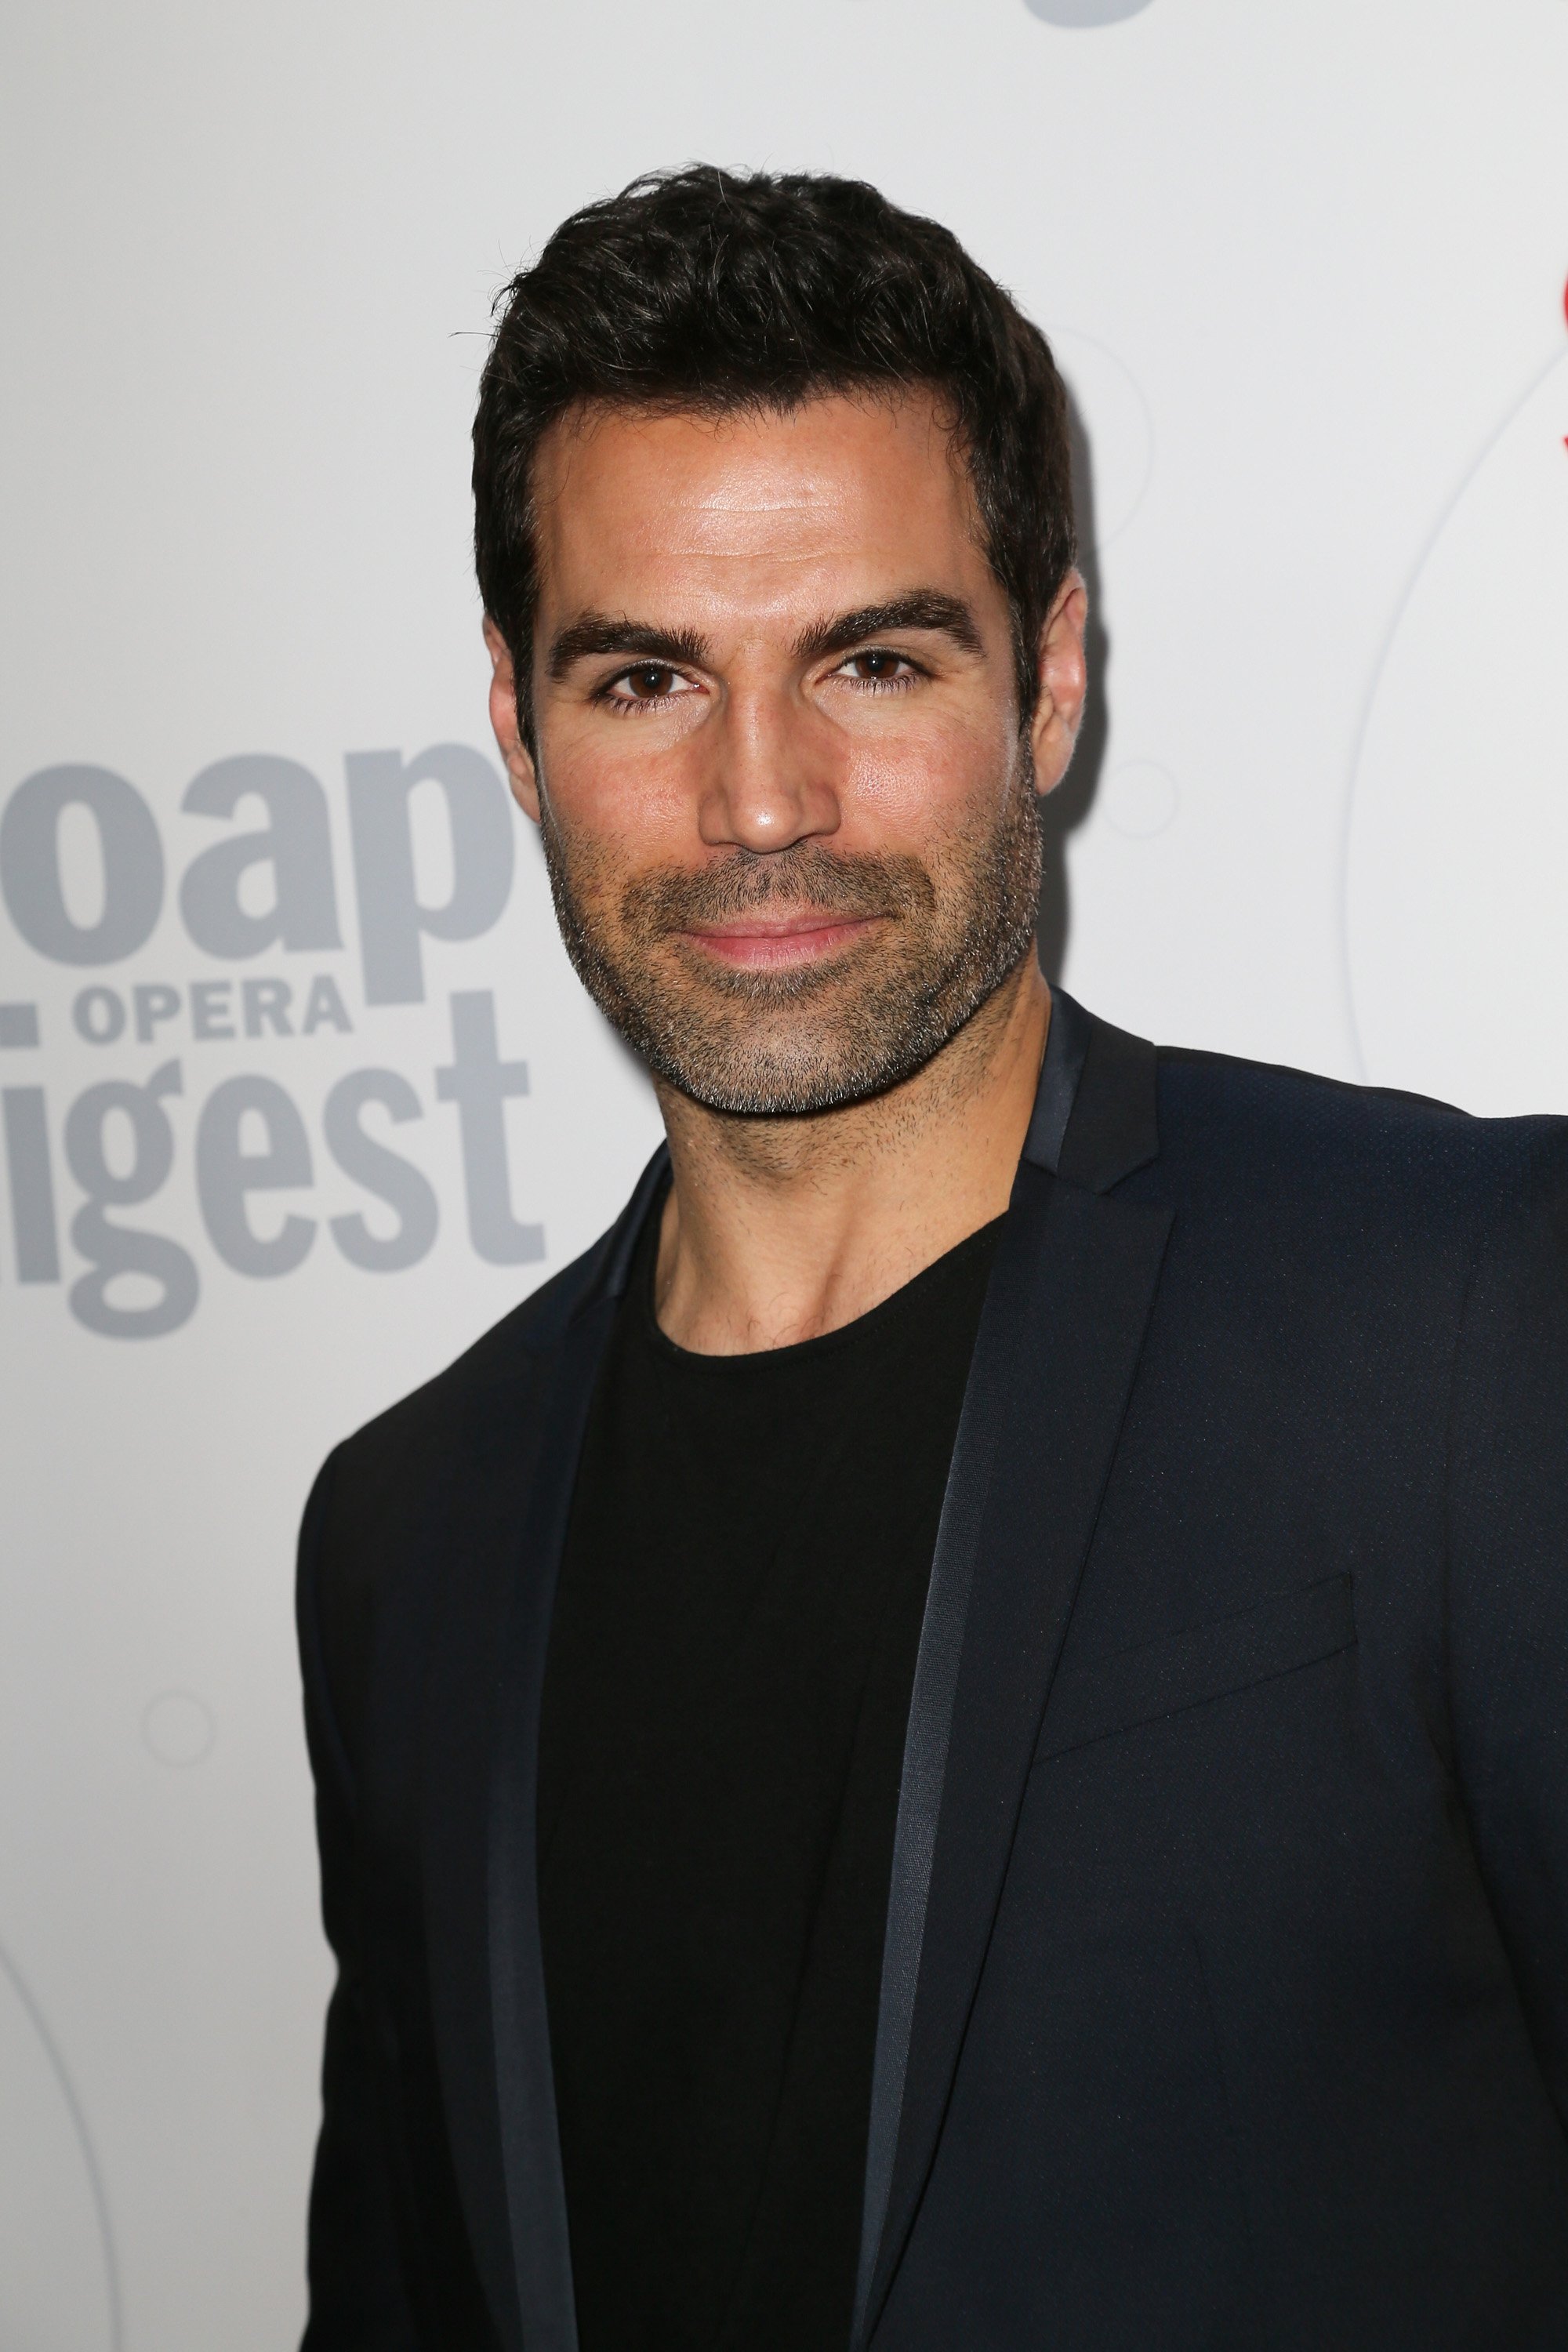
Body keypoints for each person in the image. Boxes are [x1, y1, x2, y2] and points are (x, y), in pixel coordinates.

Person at [296, 168, 1568, 2352]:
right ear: (516, 730)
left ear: (1048, 684)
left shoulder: (1460, 1314)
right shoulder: (405, 1530)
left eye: (873, 660)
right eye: (645, 682)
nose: (761, 799)